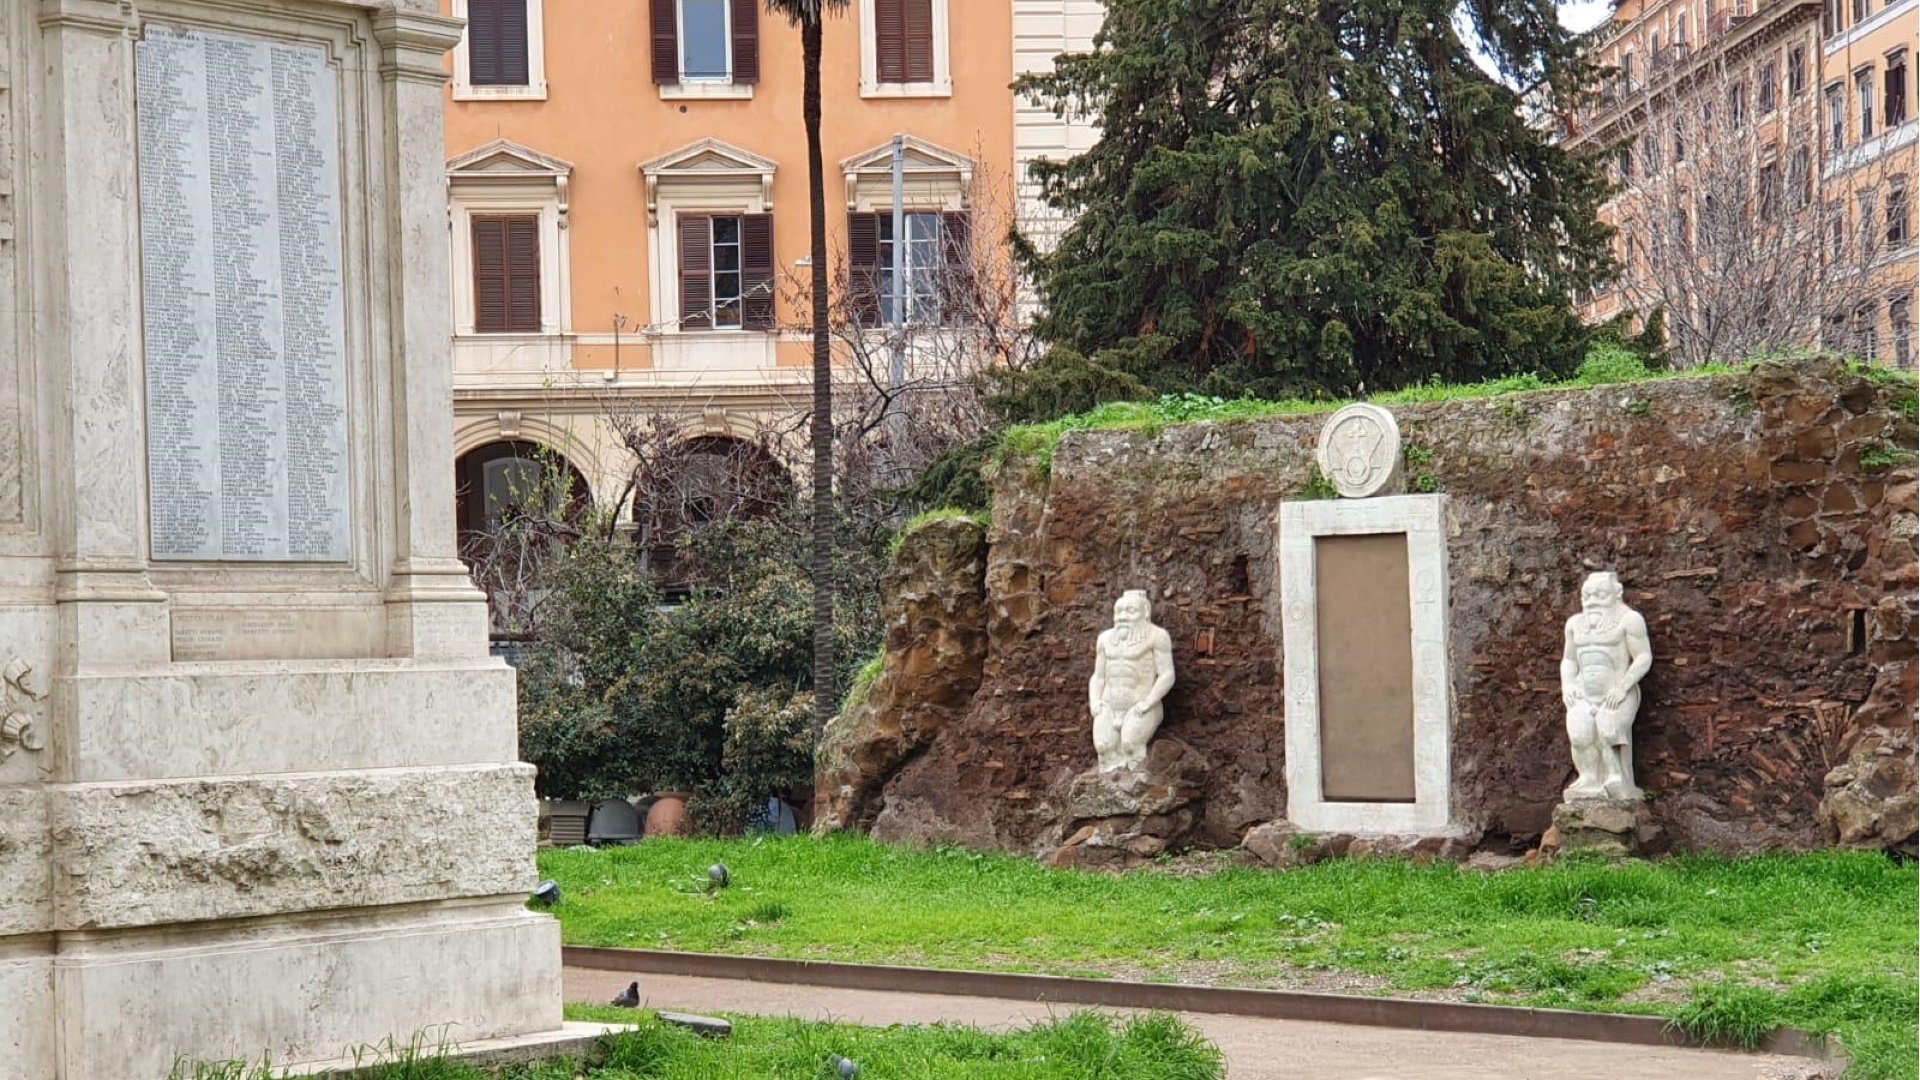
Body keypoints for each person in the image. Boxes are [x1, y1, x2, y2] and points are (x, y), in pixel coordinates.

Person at [1560, 572, 1652, 801]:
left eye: (1599, 594)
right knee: (1580, 734)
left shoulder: (1629, 620)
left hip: (1617, 691)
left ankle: (1616, 778)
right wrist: (1568, 685)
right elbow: (1569, 659)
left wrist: (1623, 687)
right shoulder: (1574, 624)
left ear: (1616, 594)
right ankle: (1589, 777)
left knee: (1608, 729)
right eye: (1587, 595)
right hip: (1583, 692)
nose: (1592, 600)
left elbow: (1643, 657)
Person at [1089, 590, 1175, 771]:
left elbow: (1167, 675)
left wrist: (1147, 703)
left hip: (1140, 705)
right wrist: (1095, 702)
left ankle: (1134, 783)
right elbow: (1098, 676)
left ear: (1145, 612)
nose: (1123, 617)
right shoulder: (1105, 639)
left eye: (1130, 611)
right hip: (1109, 704)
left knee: (1130, 745)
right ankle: (1110, 785)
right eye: (1119, 611)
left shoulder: (1157, 636)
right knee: (1104, 748)